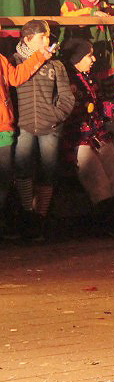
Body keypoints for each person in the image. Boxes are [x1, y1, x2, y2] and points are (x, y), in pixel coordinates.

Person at [12, 20, 75, 242]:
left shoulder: (55, 64)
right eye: (42, 37)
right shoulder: (15, 62)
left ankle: (40, 218)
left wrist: (56, 116)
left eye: (48, 36)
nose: (48, 41)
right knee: (22, 170)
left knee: (48, 172)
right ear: (28, 39)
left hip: (50, 127)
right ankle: (27, 215)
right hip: (23, 126)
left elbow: (67, 96)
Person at [60, 39, 114, 237]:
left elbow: (101, 104)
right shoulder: (67, 81)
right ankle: (107, 222)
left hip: (99, 134)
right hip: (79, 139)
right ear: (77, 59)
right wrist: (80, 109)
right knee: (98, 182)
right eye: (88, 55)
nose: (93, 59)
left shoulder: (89, 79)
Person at [0, 30, 49, 240]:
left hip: (3, 128)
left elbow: (16, 77)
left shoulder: (1, 60)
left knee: (3, 179)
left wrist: (40, 56)